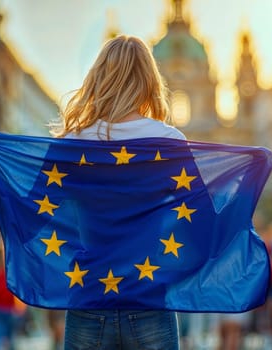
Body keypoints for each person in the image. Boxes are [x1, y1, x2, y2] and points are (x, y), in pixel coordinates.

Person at [52, 35, 184, 349]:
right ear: (150, 80)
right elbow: (201, 218)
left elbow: (34, 215)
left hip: (88, 294)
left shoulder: (70, 143)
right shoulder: (170, 141)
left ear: (98, 78)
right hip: (149, 296)